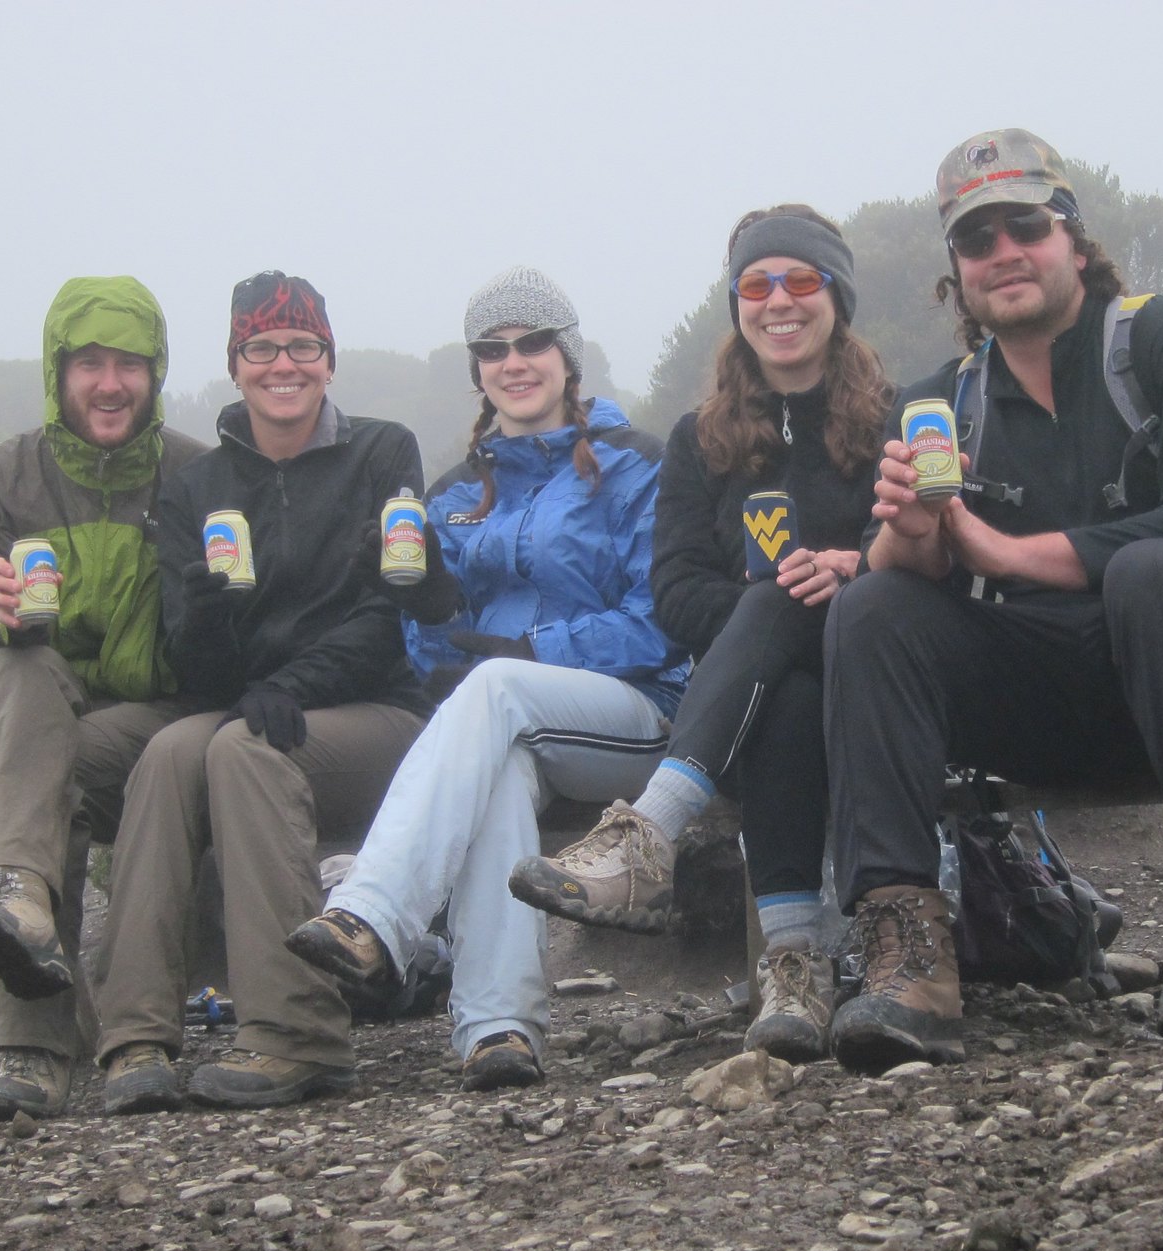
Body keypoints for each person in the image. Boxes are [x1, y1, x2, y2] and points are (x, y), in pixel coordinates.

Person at [824, 128, 1163, 1074]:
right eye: (975, 239)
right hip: (1034, 696)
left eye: (1024, 225)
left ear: (1073, 238)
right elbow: (918, 574)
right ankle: (907, 949)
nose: (1002, 251)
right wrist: (908, 543)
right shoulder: (939, 404)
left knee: (1156, 568)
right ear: (956, 273)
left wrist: (999, 548)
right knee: (869, 608)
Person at [286, 267, 688, 1091]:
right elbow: (439, 668)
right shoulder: (455, 494)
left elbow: (664, 618)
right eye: (494, 349)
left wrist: (534, 651)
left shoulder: (637, 465)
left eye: (534, 342)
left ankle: (376, 913)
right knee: (498, 758)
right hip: (509, 724)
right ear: (476, 370)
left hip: (642, 711)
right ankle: (498, 1028)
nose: (515, 361)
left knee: (498, 693)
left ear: (568, 357)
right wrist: (427, 604)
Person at [508, 206, 890, 1062]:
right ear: (736, 305)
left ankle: (650, 838)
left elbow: (915, 550)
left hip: (877, 666)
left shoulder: (895, 419)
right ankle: (795, 969)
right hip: (762, 692)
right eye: (757, 285)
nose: (778, 301)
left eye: (802, 280)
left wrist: (840, 579)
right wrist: (779, 606)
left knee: (779, 594)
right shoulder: (700, 440)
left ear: (838, 296)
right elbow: (676, 594)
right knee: (777, 661)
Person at [90, 272, 442, 1112]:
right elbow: (195, 665)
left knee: (242, 753)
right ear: (235, 362)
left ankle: (297, 1034)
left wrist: (288, 683)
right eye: (262, 348)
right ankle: (135, 1036)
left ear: (329, 359)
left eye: (302, 346)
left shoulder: (382, 451)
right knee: (172, 752)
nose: (283, 364)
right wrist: (211, 625)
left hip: (377, 714)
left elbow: (390, 615)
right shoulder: (196, 489)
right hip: (249, 705)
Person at [0, 276, 205, 1121]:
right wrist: (2, 612)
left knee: (43, 769)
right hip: (40, 708)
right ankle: (22, 922)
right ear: (57, 372)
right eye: (89, 361)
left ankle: (114, 1032)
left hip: (159, 713)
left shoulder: (196, 477)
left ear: (155, 373)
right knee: (22, 684)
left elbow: (228, 634)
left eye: (129, 362)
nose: (109, 382)